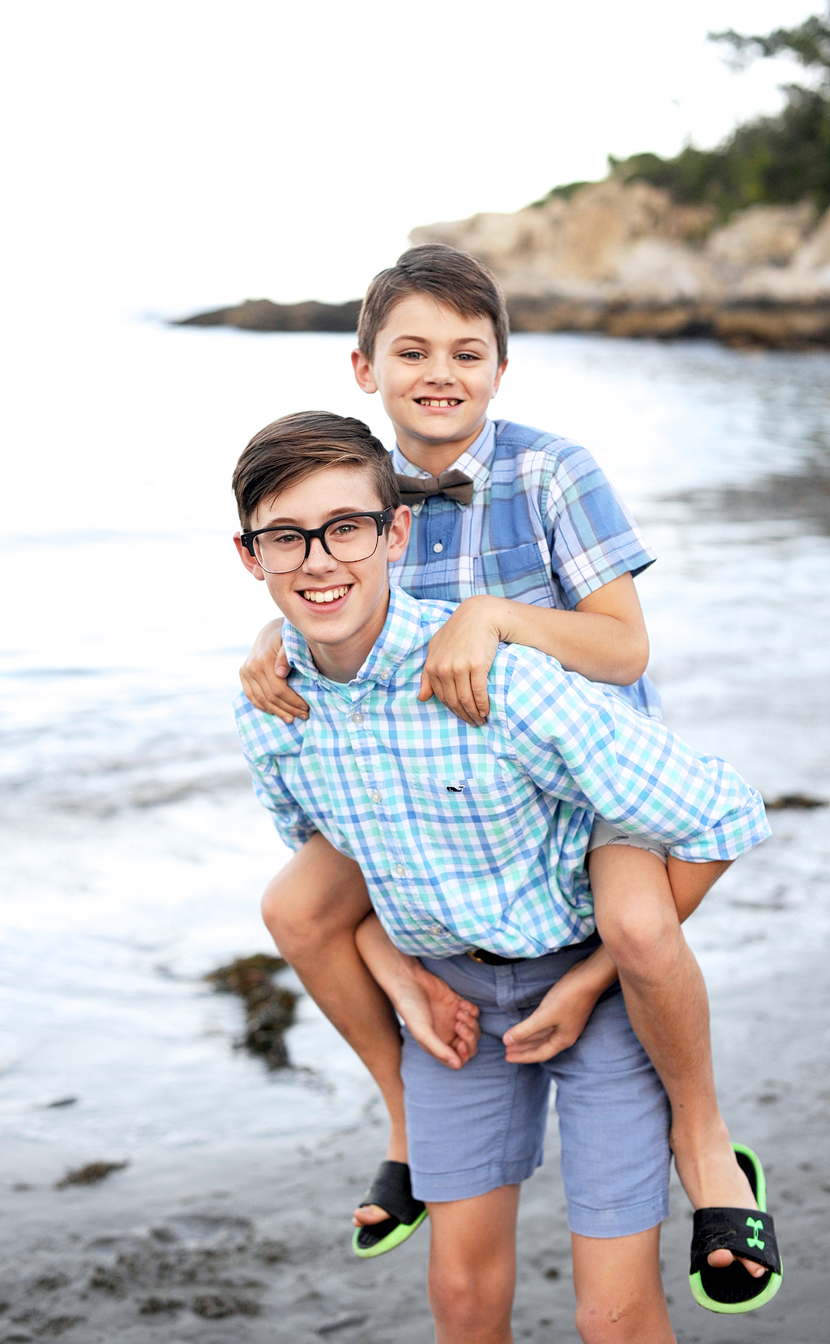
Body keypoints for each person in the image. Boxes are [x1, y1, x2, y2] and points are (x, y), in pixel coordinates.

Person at [240, 246, 768, 1262]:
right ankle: (405, 1123)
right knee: (297, 908)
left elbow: (625, 649)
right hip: (436, 781)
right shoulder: (358, 486)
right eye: (412, 351)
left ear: (500, 370)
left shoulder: (550, 470)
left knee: (636, 922)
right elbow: (321, 582)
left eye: (467, 353)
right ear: (364, 369)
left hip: (583, 773)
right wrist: (269, 648)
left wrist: (495, 616)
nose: (440, 374)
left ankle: (704, 1143)